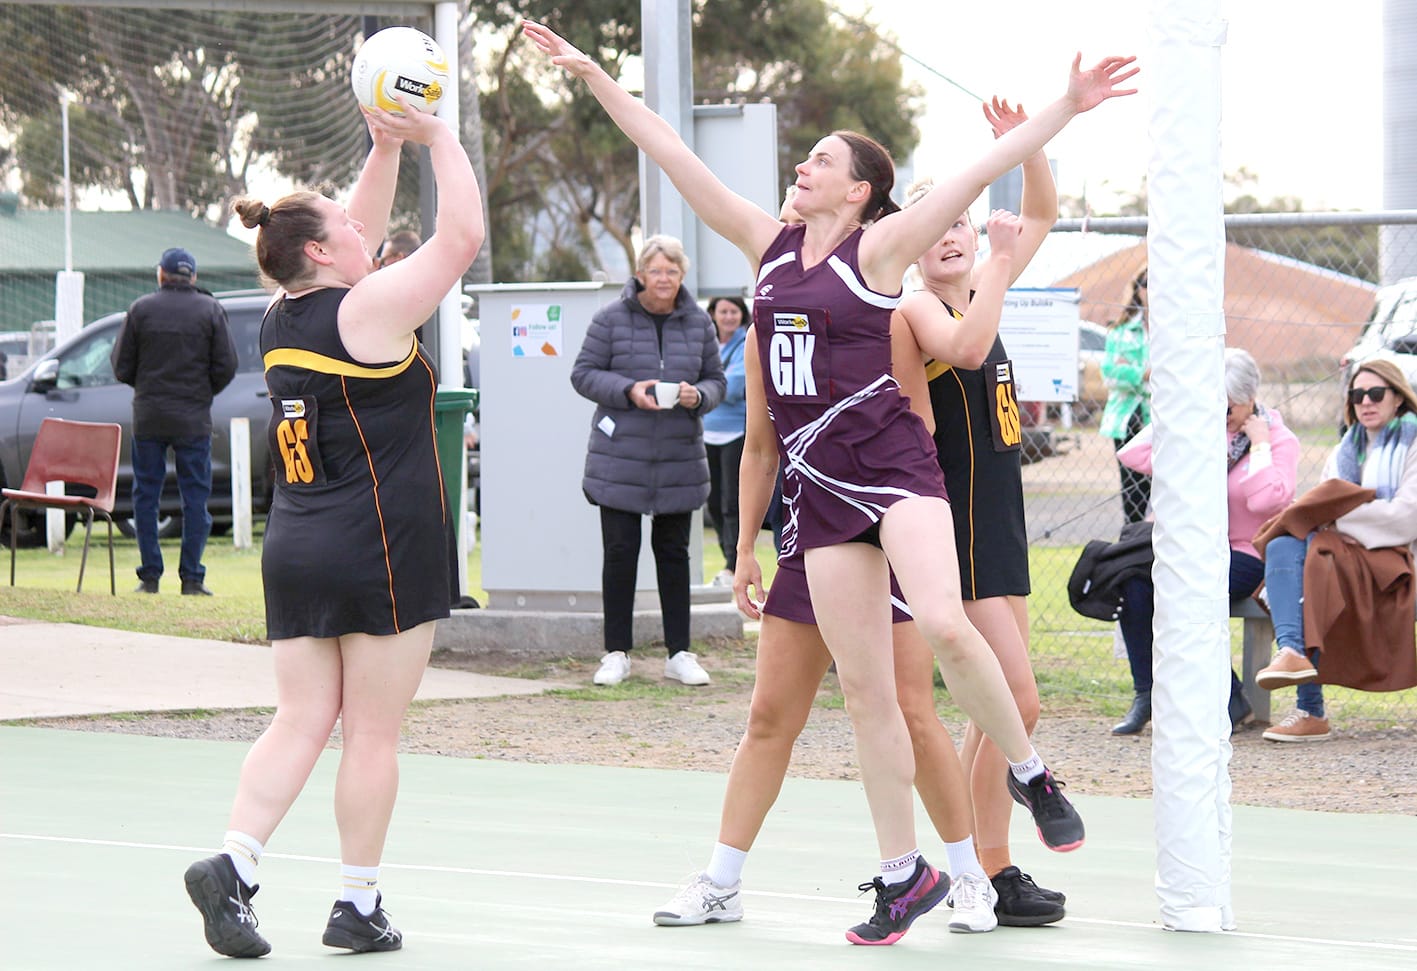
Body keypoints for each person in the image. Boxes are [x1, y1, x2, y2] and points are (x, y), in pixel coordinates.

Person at [525, 18, 1136, 944]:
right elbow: (667, 146)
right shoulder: (765, 245)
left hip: (894, 472)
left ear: (859, 190)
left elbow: (977, 174)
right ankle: (902, 876)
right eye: (802, 159)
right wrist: (588, 74)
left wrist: (1064, 108)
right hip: (818, 496)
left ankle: (1030, 768)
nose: (801, 167)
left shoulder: (881, 253)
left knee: (939, 620)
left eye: (819, 159)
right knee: (863, 697)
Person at [180, 94, 484, 958]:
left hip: (298, 544)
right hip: (378, 543)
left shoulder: (281, 317)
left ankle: (236, 862)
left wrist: (383, 145)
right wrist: (438, 136)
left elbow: (352, 220)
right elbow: (458, 241)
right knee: (372, 732)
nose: (362, 229)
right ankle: (358, 904)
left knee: (300, 718)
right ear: (318, 250)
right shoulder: (370, 312)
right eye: (344, 228)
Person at [892, 97, 1071, 922]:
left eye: (959, 221)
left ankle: (990, 870)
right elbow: (957, 353)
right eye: (932, 228)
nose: (951, 236)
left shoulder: (985, 283)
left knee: (990, 709)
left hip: (998, 515)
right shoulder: (917, 311)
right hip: (950, 523)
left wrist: (1019, 143)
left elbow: (1038, 210)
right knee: (1017, 701)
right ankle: (985, 869)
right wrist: (996, 261)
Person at [1109, 347, 1300, 736]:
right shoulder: (1202, 431)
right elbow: (1134, 454)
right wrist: (1181, 411)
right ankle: (1147, 694)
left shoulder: (1279, 440)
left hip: (1248, 553)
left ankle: (1228, 698)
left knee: (1184, 592)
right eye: (1213, 403)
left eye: (1228, 407)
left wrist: (1259, 445)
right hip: (1195, 550)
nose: (1221, 415)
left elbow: (1265, 501)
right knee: (1132, 581)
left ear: (1251, 398)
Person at [571, 234, 726, 688]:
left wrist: (699, 396)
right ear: (640, 274)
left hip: (679, 456)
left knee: (674, 555)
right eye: (656, 271)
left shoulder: (699, 323)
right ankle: (615, 653)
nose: (664, 279)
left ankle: (680, 652)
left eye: (672, 272)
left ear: (683, 275)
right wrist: (627, 390)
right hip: (619, 457)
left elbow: (716, 381)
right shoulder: (610, 319)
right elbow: (583, 373)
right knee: (620, 554)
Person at [1254, 358, 1417, 742]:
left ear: (1398, 398)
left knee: (1305, 554)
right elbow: (1327, 508)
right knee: (1287, 546)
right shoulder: (1345, 448)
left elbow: (1405, 519)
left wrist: (1340, 519)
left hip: (1396, 560)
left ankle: (1308, 705)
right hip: (1343, 557)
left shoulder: (1413, 444)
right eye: (1357, 395)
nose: (1366, 402)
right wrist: (1333, 518)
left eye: (1376, 393)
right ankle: (1292, 655)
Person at [111, 246, 238, 596]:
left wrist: (150, 387)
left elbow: (121, 366)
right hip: (193, 418)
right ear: (193, 277)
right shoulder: (210, 309)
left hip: (149, 417)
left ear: (161, 274)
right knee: (195, 498)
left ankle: (149, 576)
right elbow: (226, 366)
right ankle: (192, 578)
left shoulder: (140, 310)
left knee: (145, 497)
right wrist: (201, 392)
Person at [703, 295, 749, 586]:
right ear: (713, 314)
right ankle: (726, 560)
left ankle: (735, 564)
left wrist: (703, 387)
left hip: (736, 433)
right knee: (713, 502)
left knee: (732, 503)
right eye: (723, 311)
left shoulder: (746, 343)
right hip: (706, 433)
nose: (728, 317)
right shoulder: (706, 344)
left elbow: (732, 389)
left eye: (734, 311)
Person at [1100, 267, 1152, 524]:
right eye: (1147, 284)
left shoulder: (1175, 331)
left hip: (1164, 418)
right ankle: (1133, 547)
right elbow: (1110, 374)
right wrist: (1145, 374)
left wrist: (1131, 370)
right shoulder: (1121, 330)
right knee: (1134, 494)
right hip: (1129, 420)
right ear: (1138, 289)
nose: (1151, 290)